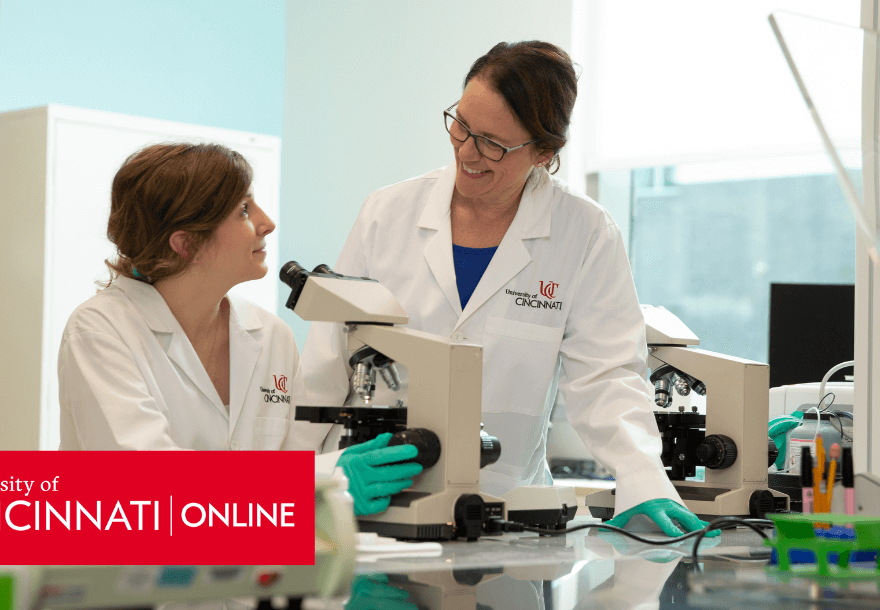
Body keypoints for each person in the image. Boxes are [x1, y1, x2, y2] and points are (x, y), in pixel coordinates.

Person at [301, 41, 713, 537]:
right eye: (461, 126)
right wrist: (306, 485)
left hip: (504, 507)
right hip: (371, 499)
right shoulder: (387, 213)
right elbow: (325, 364)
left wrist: (644, 480)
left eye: (493, 143)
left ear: (545, 152)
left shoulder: (583, 233)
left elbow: (606, 377)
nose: (467, 152)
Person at [57, 142, 422, 516]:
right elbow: (149, 489)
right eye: (244, 210)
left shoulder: (270, 336)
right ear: (186, 244)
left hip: (251, 569)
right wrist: (312, 486)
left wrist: (329, 479)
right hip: (133, 570)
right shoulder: (101, 331)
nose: (266, 222)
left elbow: (292, 471)